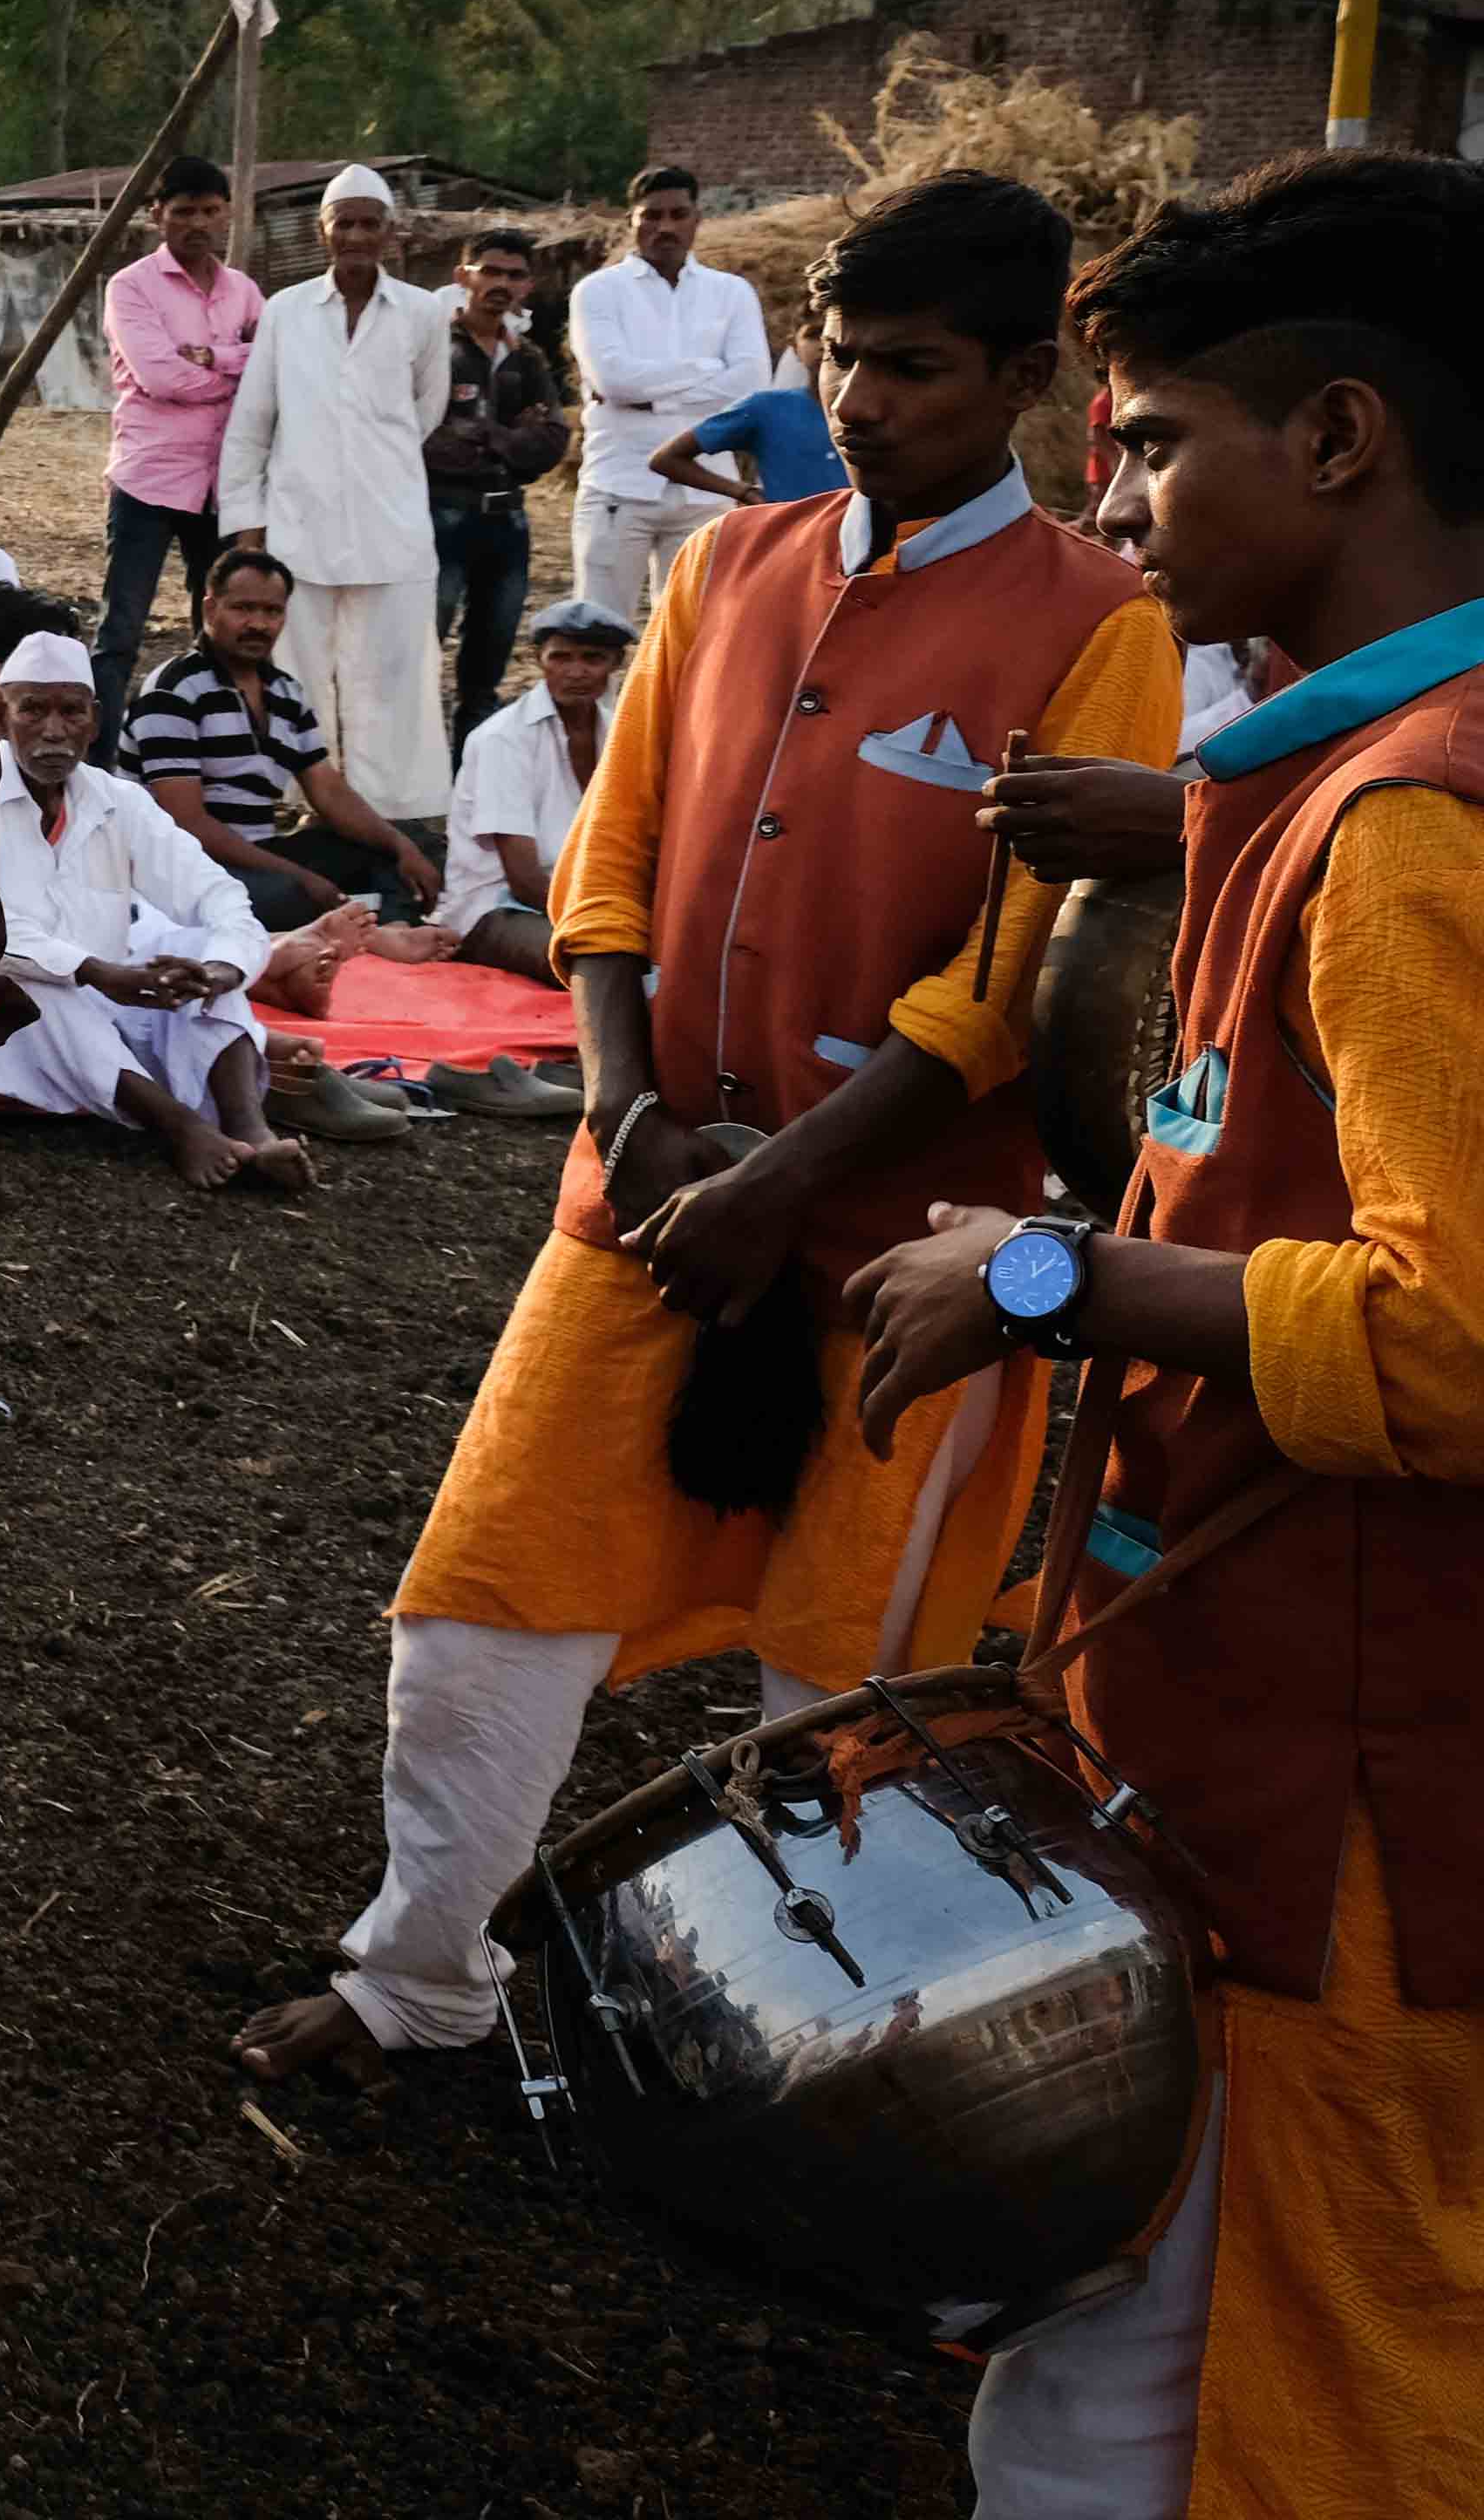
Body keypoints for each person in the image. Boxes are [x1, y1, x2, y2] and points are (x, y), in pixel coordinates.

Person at [233, 172, 1176, 2094]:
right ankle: (421, 1976)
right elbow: (615, 858)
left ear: (1023, 372)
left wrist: (781, 1185)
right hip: (645, 1199)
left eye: (909, 367)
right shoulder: (732, 566)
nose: (856, 398)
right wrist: (623, 1104)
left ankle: (836, 2059)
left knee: (857, 1684)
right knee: (482, 1608)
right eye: (838, 354)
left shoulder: (1106, 624)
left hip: (909, 1257)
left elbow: (1008, 989)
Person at [851, 151, 1484, 2520]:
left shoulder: (1412, 833)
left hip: (1361, 1812)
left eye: (1145, 439)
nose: (1104, 490)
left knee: (1301, 2401)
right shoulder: (1318, 786)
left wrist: (1056, 1277)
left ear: (1339, 442)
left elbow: (1461, 1339)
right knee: (1134, 2376)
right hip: (1259, 1755)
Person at [0, 631, 294, 1189]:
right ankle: (182, 1128)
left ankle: (251, 1129)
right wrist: (99, 973)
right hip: (18, 1031)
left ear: (95, 723)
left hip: (115, 1008)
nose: (54, 730)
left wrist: (220, 969)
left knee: (197, 951)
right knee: (35, 986)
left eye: (71, 712)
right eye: (33, 711)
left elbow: (220, 897)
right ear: (1, 718)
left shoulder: (119, 801)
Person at [216, 166, 457, 829]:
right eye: (343, 222)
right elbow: (252, 422)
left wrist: (376, 458)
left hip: (394, 523)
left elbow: (425, 410)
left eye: (368, 222)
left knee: (396, 673)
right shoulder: (288, 311)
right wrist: (248, 529)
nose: (355, 234)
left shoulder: (422, 312)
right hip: (302, 525)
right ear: (323, 231)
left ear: (390, 232)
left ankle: (396, 812)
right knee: (300, 674)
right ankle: (305, 805)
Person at [120, 546, 439, 930]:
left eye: (272, 612)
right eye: (243, 609)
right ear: (209, 610)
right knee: (289, 896)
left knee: (410, 850)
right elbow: (186, 823)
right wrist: (300, 877)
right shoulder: (173, 690)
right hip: (181, 865)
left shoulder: (286, 693)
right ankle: (377, 929)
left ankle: (389, 930)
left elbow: (331, 794)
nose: (258, 624)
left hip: (259, 855)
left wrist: (401, 846)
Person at [97, 153, 263, 718]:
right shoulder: (131, 287)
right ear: (156, 215)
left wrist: (215, 355)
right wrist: (235, 372)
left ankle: (203, 749)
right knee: (121, 632)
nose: (198, 223)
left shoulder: (242, 290)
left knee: (215, 631)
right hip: (149, 478)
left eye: (210, 211)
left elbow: (273, 362)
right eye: (184, 211)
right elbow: (160, 377)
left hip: (221, 481)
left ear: (227, 216)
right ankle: (99, 765)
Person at [568, 160, 772, 623]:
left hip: (706, 489)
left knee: (693, 636)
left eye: (678, 215)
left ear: (697, 219)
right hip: (620, 483)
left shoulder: (731, 292)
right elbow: (614, 380)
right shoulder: (598, 291)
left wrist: (652, 398)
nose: (665, 227)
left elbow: (752, 384)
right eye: (652, 216)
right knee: (597, 629)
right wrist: (708, 371)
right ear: (632, 222)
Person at [433, 596, 628, 980]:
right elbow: (523, 880)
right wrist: (606, 921)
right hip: (494, 907)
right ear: (539, 658)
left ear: (616, 664)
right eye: (561, 657)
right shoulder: (503, 739)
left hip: (581, 900)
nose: (576, 672)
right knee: (597, 961)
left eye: (592, 659)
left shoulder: (619, 732)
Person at [429, 225, 570, 735]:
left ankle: (470, 782)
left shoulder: (528, 356)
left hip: (508, 521)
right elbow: (428, 442)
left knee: (488, 669)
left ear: (528, 286)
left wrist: (484, 435)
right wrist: (510, 434)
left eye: (514, 275)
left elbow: (554, 440)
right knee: (423, 655)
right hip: (440, 513)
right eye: (489, 271)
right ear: (463, 276)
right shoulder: (433, 345)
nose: (501, 284)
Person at [656, 339, 846, 509]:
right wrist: (742, 491)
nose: (823, 343)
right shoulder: (766, 408)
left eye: (830, 333)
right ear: (795, 346)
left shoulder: (871, 409)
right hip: (787, 538)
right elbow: (666, 459)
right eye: (813, 334)